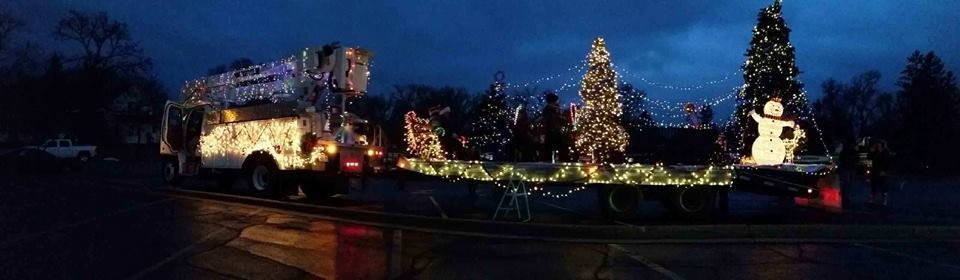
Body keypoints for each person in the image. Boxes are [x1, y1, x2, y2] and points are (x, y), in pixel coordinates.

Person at [540, 92, 564, 162]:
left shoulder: (547, 109)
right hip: (554, 130)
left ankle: (549, 160)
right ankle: (555, 159)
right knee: (554, 146)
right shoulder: (555, 109)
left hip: (550, 130)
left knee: (549, 146)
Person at [868, 139, 892, 206]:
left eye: (879, 144)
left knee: (883, 186)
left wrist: (885, 171)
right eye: (877, 144)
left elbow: (888, 163)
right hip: (875, 170)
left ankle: (884, 200)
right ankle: (872, 199)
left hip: (882, 171)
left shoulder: (886, 152)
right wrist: (871, 152)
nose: (878, 145)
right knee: (873, 185)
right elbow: (870, 158)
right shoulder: (875, 152)